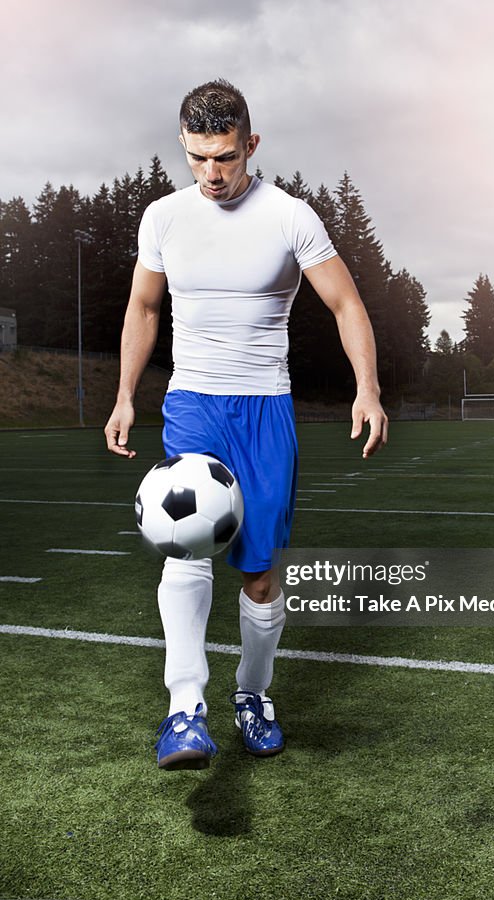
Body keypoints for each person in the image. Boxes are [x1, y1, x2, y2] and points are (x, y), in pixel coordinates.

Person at [104, 79, 388, 770]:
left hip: (264, 408)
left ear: (250, 145)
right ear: (184, 146)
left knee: (259, 576)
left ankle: (252, 694)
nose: (211, 174)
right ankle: (183, 710)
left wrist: (367, 389)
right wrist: (124, 395)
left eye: (225, 157)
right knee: (185, 546)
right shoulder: (164, 217)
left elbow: (346, 306)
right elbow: (144, 310)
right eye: (198, 158)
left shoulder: (291, 217)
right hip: (192, 401)